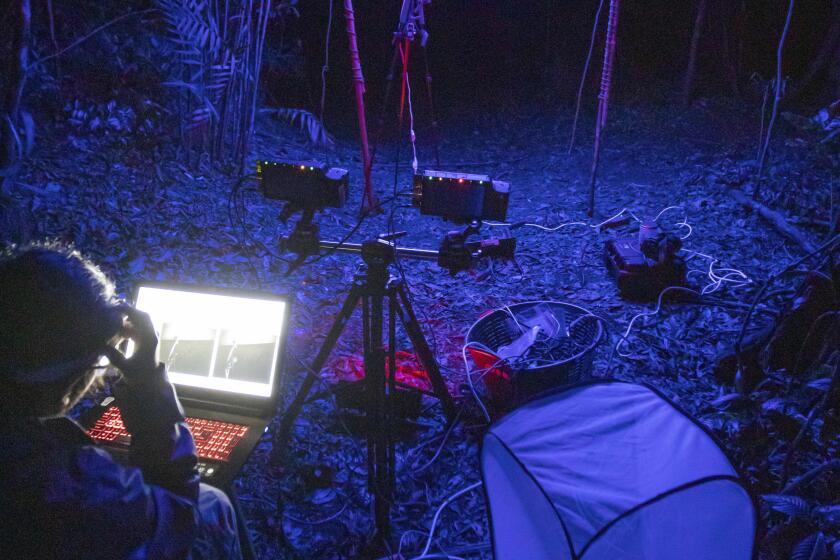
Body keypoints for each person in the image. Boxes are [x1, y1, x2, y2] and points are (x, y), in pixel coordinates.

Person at [0, 243, 242, 560]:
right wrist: (147, 388)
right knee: (214, 504)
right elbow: (178, 517)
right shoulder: (73, 484)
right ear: (69, 377)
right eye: (98, 365)